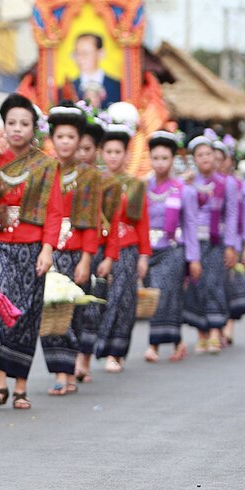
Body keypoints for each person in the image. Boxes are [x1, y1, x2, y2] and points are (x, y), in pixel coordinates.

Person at [0, 94, 61, 409]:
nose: (17, 129)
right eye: (11, 123)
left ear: (34, 128)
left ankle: (21, 385)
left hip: (31, 246)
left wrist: (48, 249)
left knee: (26, 314)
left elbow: (54, 212)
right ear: (4, 126)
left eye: (24, 123)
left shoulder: (46, 165)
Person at [39, 103, 101, 395]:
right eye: (60, 136)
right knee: (50, 310)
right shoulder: (42, 169)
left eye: (71, 137)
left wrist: (87, 259)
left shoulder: (89, 176)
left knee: (73, 313)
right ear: (52, 138)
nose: (65, 142)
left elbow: (90, 222)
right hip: (47, 251)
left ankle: (71, 371)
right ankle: (59, 372)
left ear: (79, 141)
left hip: (76, 252)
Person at [93, 120, 150, 373]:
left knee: (123, 300)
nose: (113, 157)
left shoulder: (135, 186)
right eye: (109, 152)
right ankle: (96, 348)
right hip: (100, 247)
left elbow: (142, 223)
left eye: (118, 152)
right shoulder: (95, 183)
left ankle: (116, 351)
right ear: (101, 154)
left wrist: (144, 256)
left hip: (128, 247)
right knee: (100, 299)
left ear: (127, 155)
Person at [181, 131, 239, 355]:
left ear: (215, 157)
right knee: (197, 285)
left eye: (209, 154)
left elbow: (232, 215)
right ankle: (201, 333)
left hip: (217, 241)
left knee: (215, 283)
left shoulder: (227, 184)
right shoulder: (187, 183)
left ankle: (215, 331)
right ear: (194, 159)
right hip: (193, 240)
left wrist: (232, 245)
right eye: (200, 155)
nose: (205, 158)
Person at [142, 130, 188, 363]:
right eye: (156, 158)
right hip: (149, 250)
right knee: (161, 296)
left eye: (165, 158)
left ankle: (154, 345)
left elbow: (188, 224)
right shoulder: (142, 186)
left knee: (164, 294)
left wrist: (193, 258)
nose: (160, 163)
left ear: (173, 160)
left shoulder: (181, 188)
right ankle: (178, 341)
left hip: (173, 249)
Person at [74, 112, 106, 382]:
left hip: (97, 250)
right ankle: (73, 358)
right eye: (79, 148)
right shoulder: (69, 177)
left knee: (91, 307)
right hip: (73, 246)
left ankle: (85, 357)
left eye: (87, 149)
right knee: (71, 306)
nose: (82, 154)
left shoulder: (102, 181)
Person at [216, 136, 245, 342]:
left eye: (224, 158)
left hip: (235, 241)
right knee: (215, 284)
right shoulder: (208, 183)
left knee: (230, 284)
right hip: (213, 241)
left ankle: (228, 324)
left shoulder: (242, 186)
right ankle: (216, 324)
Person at [68, 33, 121, 106]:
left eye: (85, 53)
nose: (80, 58)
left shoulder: (117, 87)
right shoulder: (68, 88)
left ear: (101, 53)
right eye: (77, 53)